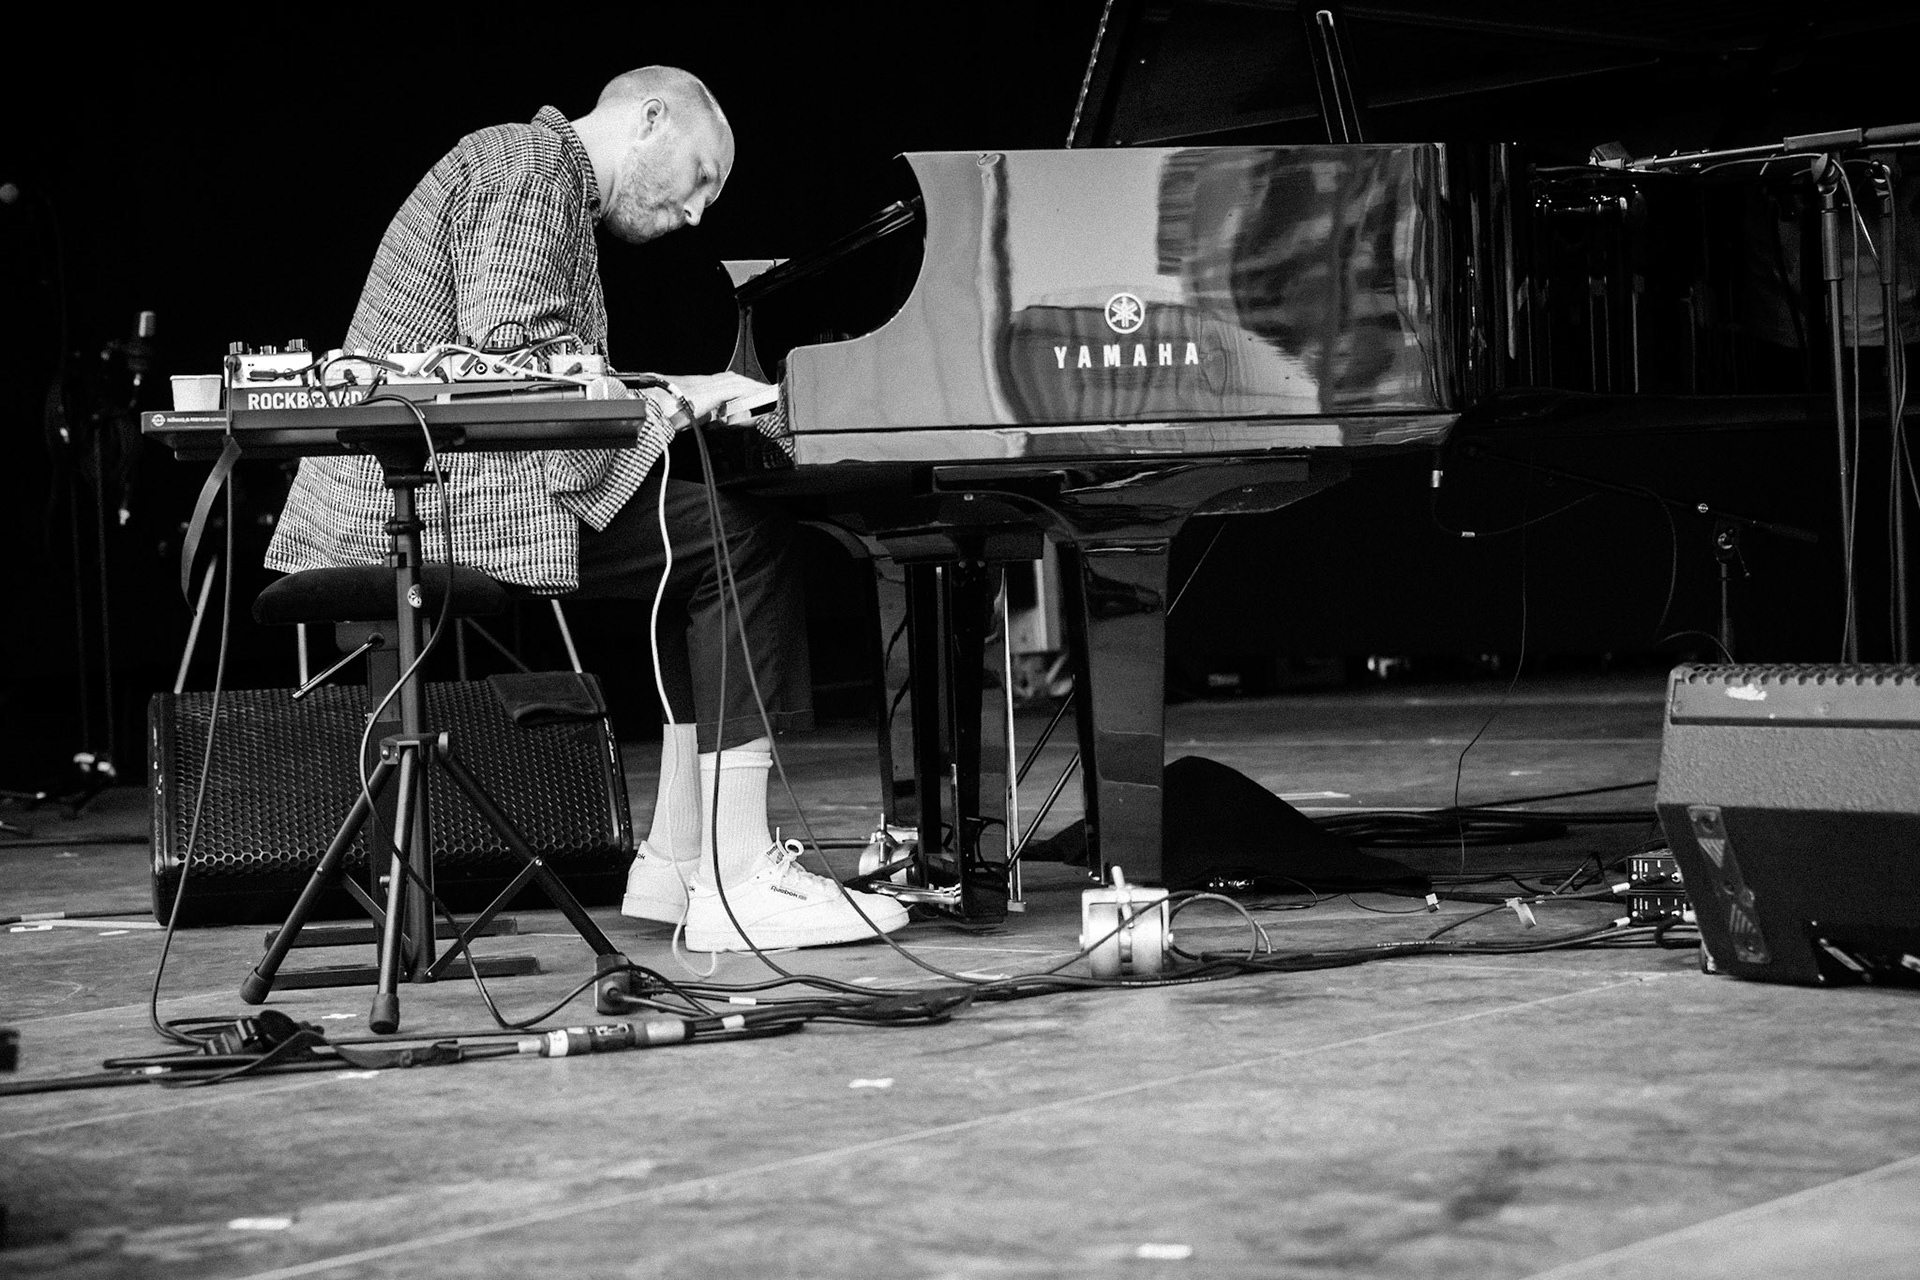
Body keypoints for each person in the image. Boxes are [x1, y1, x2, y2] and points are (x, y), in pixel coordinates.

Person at [264, 66, 907, 951]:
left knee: (706, 542)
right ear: (650, 118)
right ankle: (738, 878)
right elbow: (519, 368)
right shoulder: (529, 166)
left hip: (449, 484)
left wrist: (675, 392)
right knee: (740, 543)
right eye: (701, 177)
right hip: (431, 496)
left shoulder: (538, 177)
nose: (698, 213)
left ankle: (679, 862)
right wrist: (679, 397)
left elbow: (530, 363)